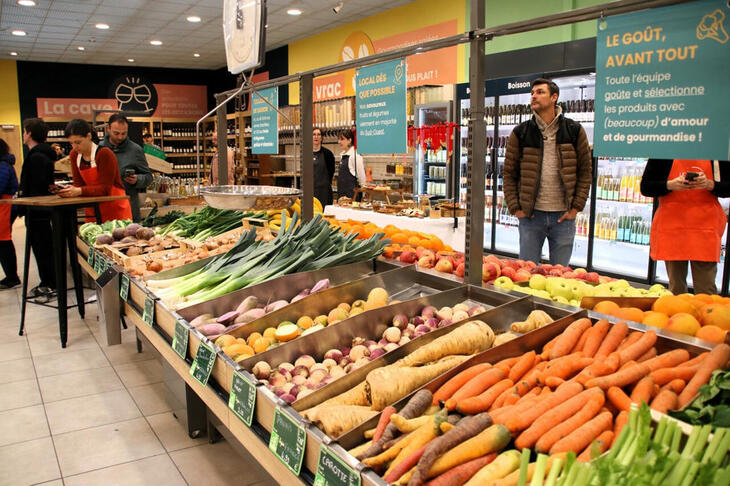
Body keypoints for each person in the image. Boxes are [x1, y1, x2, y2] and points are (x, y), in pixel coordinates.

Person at [503, 78, 592, 266]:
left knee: (560, 274)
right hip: (531, 217)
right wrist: (516, 208)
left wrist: (576, 208)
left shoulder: (574, 131)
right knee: (525, 274)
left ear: (554, 97)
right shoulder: (521, 132)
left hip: (563, 217)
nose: (534, 96)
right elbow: (509, 174)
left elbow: (585, 172)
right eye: (532, 93)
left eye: (540, 92)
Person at [641, 159, 730, 295]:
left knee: (706, 290)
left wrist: (710, 184)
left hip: (705, 227)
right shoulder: (663, 153)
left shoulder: (716, 152)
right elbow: (645, 187)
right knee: (676, 288)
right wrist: (669, 185)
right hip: (672, 226)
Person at [60, 118, 132, 222]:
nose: (75, 147)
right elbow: (78, 184)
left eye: (78, 142)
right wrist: (70, 190)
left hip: (114, 207)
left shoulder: (104, 154)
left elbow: (104, 189)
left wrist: (78, 191)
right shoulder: (74, 155)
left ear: (89, 136)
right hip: (92, 208)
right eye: (71, 143)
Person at [20, 118, 57, 298]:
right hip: (39, 211)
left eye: (25, 131)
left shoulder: (37, 157)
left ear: (29, 133)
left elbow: (37, 187)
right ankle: (48, 281)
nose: (23, 134)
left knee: (42, 248)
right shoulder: (41, 155)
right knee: (43, 247)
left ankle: (49, 283)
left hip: (38, 212)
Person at [99, 114, 152, 221]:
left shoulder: (135, 150)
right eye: (116, 133)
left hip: (128, 207)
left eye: (124, 133)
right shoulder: (99, 149)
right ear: (108, 129)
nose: (120, 137)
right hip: (105, 206)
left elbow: (148, 177)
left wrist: (137, 179)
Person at [0, 138, 20, 289]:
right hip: (5, 205)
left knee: (3, 241)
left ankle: (12, 277)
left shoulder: (2, 165)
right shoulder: (5, 164)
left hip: (5, 206)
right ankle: (11, 276)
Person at [336, 129, 366, 199]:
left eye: (342, 139)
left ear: (350, 140)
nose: (339, 142)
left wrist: (364, 195)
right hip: (342, 196)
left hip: (353, 197)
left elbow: (362, 178)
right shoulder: (342, 155)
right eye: (339, 139)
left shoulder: (355, 156)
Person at [312, 127, 335, 206]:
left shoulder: (328, 154)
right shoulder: (305, 153)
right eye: (314, 134)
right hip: (310, 191)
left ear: (321, 138)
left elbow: (331, 171)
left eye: (319, 135)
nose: (316, 137)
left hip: (324, 192)